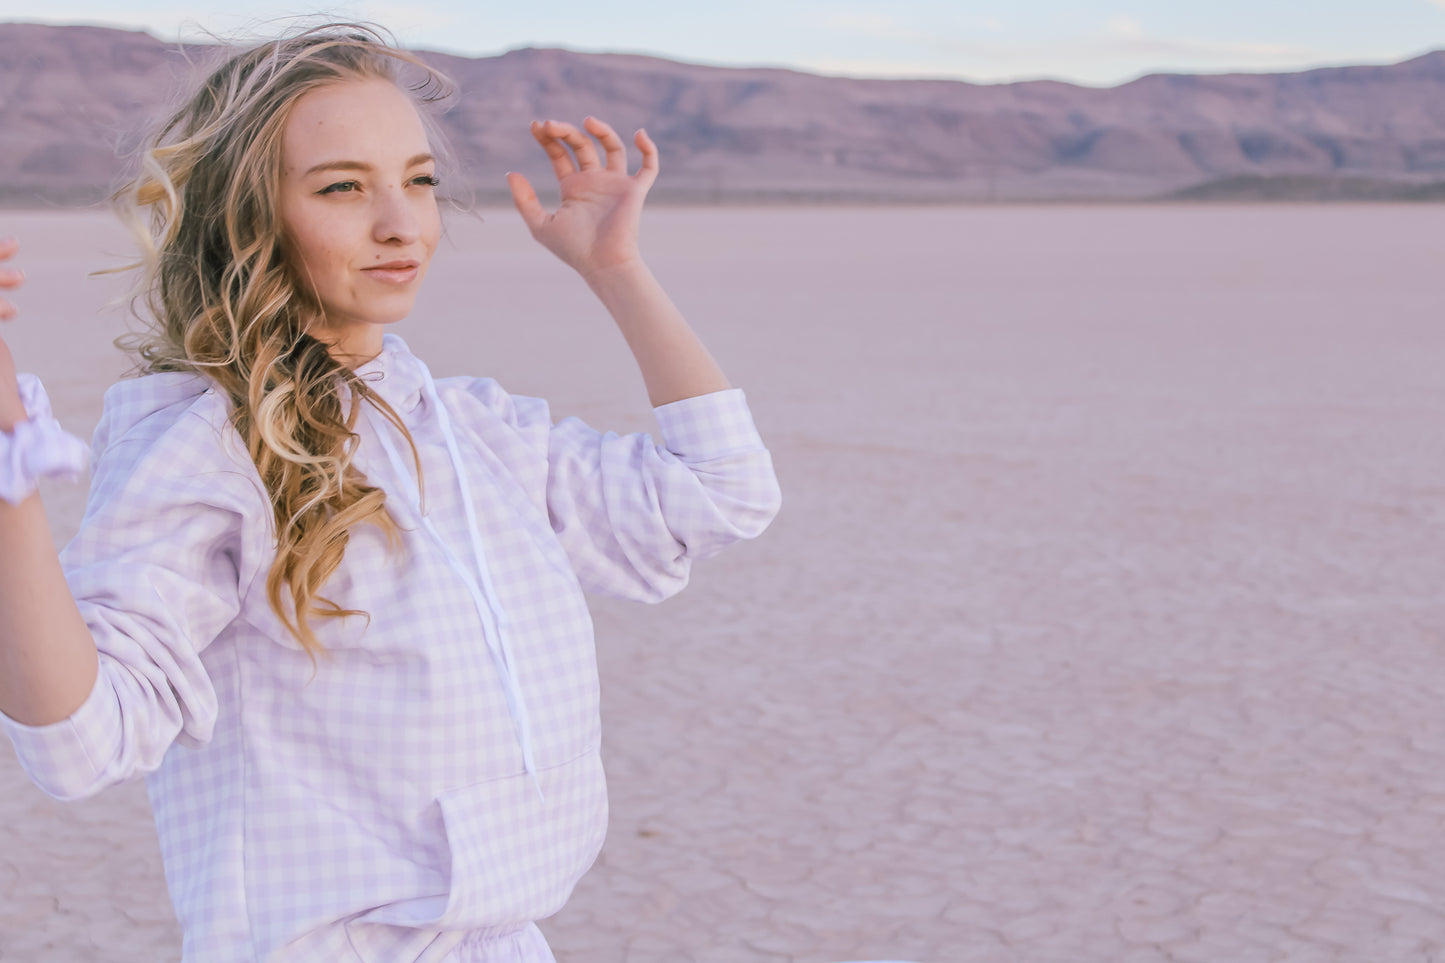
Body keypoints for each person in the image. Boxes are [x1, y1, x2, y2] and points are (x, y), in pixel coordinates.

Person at [0, 23, 780, 963]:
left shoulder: (469, 429)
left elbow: (719, 494)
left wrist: (615, 270)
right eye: (341, 187)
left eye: (417, 180)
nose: (401, 223)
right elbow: (79, 742)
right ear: (247, 217)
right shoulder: (207, 449)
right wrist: (8, 465)